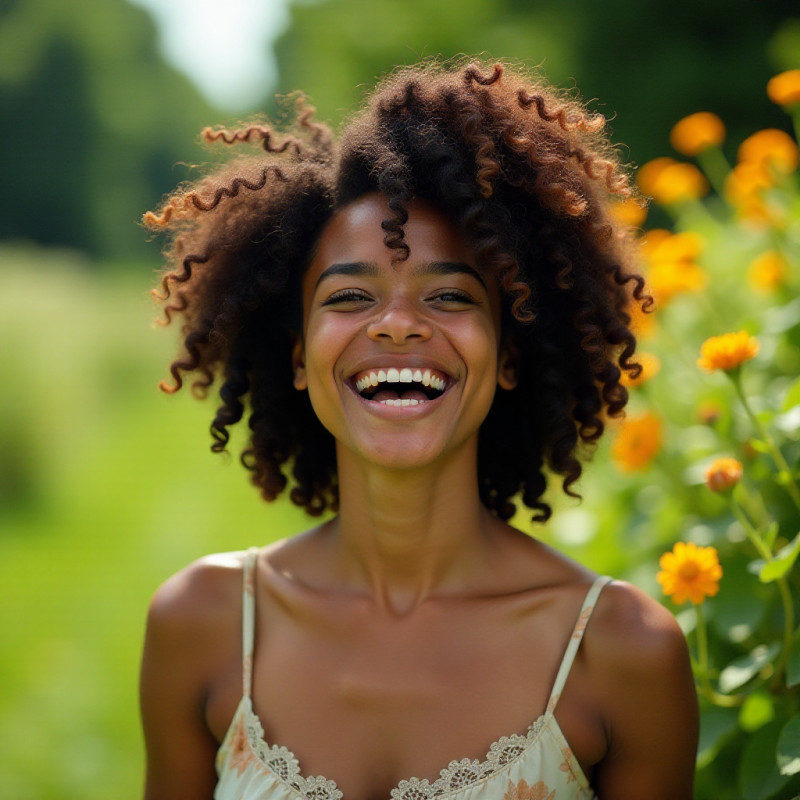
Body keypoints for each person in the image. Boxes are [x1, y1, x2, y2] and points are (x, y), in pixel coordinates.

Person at [139, 59, 698, 800]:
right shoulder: (203, 625)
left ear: (507, 355)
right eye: (349, 296)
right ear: (300, 358)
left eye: (448, 295)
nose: (399, 324)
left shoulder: (619, 652)